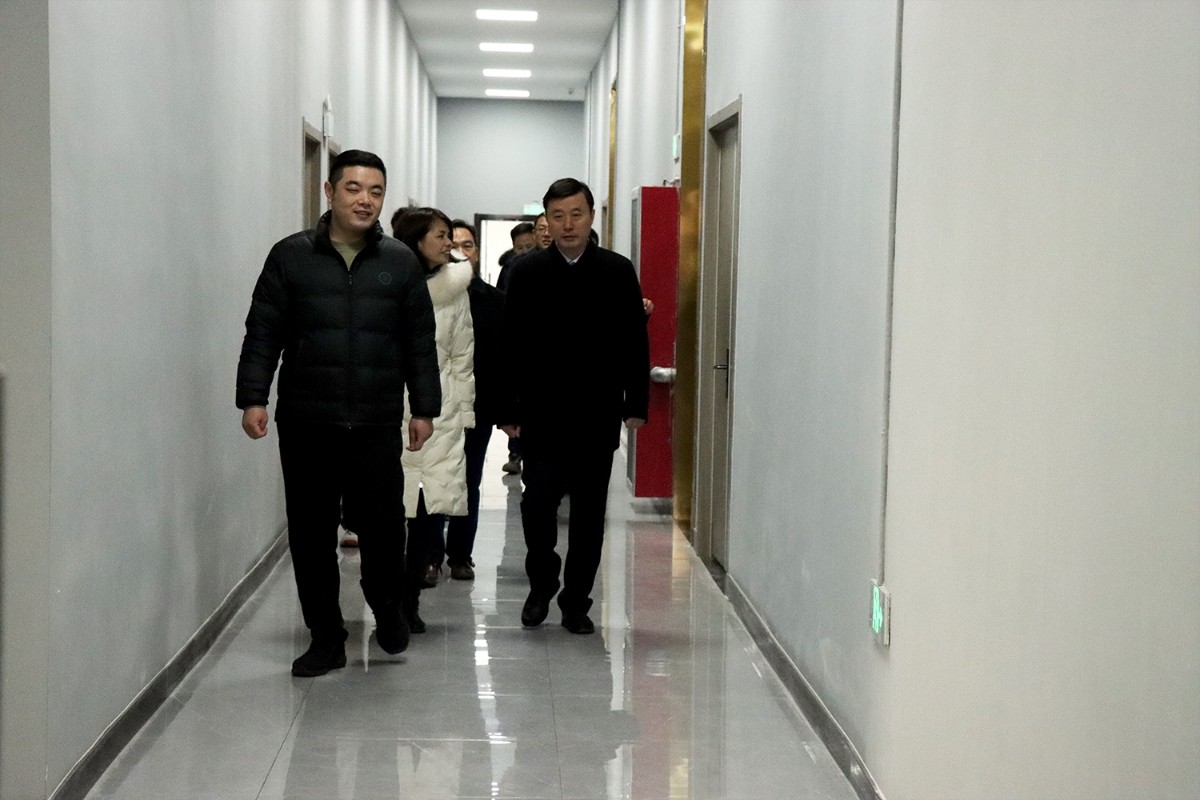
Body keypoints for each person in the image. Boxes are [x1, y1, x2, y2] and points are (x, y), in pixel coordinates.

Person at [236, 149, 441, 676]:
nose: (364, 200)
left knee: (384, 530)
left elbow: (420, 343)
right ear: (330, 192)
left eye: (375, 191)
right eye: (353, 188)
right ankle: (326, 638)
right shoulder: (291, 257)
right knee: (311, 535)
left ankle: (388, 605)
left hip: (375, 421)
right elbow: (263, 332)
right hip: (307, 422)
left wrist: (424, 408)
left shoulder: (399, 261)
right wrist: (254, 396)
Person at [499, 178, 650, 635]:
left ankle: (576, 601)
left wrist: (636, 401)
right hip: (541, 413)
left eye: (576, 214)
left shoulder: (616, 270)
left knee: (588, 514)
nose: (568, 225)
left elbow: (633, 340)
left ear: (591, 217)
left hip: (596, 413)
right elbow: (509, 343)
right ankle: (542, 583)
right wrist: (508, 408)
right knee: (537, 504)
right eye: (558, 216)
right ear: (546, 221)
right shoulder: (526, 272)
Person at [392, 206, 475, 629]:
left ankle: (410, 599)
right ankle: (389, 599)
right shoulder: (387, 281)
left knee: (428, 513)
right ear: (417, 240)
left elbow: (462, 356)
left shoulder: (455, 289)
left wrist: (465, 413)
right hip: (389, 410)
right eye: (441, 235)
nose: (449, 243)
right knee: (391, 513)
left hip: (439, 414)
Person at [445, 220, 506, 580]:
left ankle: (460, 555)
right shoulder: (426, 294)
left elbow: (501, 359)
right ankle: (429, 555)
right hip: (434, 406)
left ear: (477, 252)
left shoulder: (495, 302)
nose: (460, 252)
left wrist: (505, 410)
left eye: (467, 246)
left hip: (476, 407)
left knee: (468, 481)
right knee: (431, 481)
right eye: (452, 245)